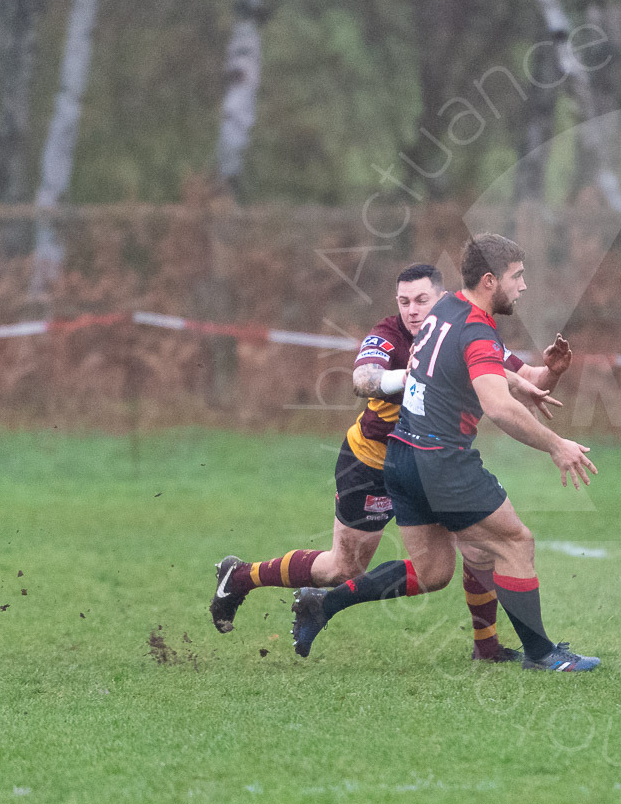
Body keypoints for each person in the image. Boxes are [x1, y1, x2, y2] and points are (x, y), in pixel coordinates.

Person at [208, 263, 570, 663]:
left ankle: (486, 647)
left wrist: (552, 371)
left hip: (431, 463)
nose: (412, 310)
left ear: (442, 299)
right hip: (372, 462)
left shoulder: (461, 328)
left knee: (474, 548)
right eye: (404, 302)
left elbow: (530, 381)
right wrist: (412, 375)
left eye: (421, 300)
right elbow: (362, 380)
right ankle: (242, 575)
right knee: (343, 568)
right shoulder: (388, 335)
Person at [290, 233, 601, 672]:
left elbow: (486, 372)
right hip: (442, 462)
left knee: (433, 572)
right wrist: (557, 445)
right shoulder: (476, 330)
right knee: (516, 542)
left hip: (402, 457)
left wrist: (538, 375)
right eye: (517, 276)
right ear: (490, 280)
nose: (523, 286)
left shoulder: (446, 310)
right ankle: (541, 653)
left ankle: (323, 605)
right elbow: (498, 407)